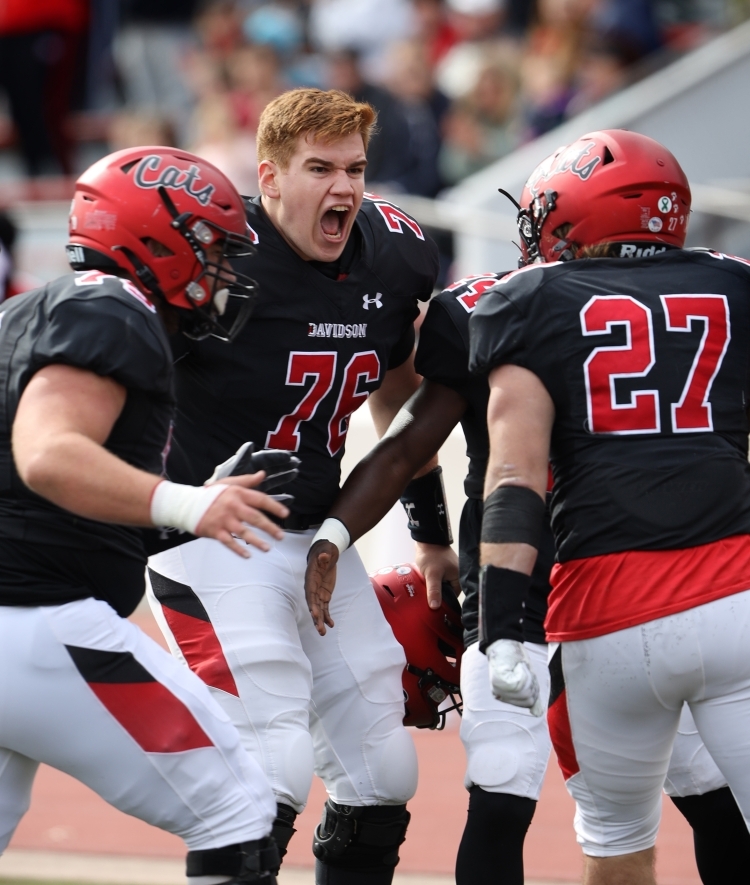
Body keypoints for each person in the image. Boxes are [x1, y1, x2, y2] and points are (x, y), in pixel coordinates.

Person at [305, 264, 750, 884]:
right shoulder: (694, 287)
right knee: (699, 788)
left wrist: (347, 532)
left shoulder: (486, 307)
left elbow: (409, 444)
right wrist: (422, 538)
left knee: (513, 788)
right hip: (632, 578)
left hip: (560, 584)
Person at [146, 88, 440, 885]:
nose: (343, 188)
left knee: (383, 770)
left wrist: (433, 532)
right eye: (320, 168)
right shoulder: (209, 256)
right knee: (270, 759)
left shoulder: (395, 253)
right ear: (269, 177)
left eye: (355, 169)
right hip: (212, 533)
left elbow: (404, 399)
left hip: (318, 531)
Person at [0, 145, 294, 884]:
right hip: (41, 626)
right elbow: (48, 455)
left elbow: (43, 492)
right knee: (239, 811)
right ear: (159, 237)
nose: (223, 271)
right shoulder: (112, 307)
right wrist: (191, 500)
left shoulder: (23, 314)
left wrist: (184, 513)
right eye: (212, 247)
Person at [469, 129, 750, 885]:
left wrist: (499, 629)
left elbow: (515, 474)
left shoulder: (527, 299)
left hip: (606, 616)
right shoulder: (736, 283)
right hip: (737, 593)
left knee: (618, 840)